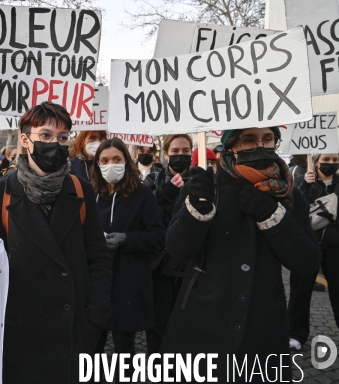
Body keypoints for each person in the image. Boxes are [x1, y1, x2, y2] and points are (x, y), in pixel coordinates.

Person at [162, 127, 321, 380]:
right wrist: (196, 211)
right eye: (249, 140)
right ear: (231, 147)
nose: (260, 146)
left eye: (267, 139)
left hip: (262, 329)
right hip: (203, 324)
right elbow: (177, 250)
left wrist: (271, 215)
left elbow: (307, 261)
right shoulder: (204, 186)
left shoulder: (288, 193)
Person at [0, 102, 112, 384]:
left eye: (63, 137)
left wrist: (95, 317)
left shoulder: (80, 189)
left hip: (72, 328)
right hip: (22, 331)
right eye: (46, 135)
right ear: (26, 140)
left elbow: (98, 257)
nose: (55, 143)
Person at [92, 138, 165, 372]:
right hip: (96, 284)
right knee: (93, 347)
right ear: (97, 164)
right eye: (104, 161)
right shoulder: (90, 194)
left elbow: (157, 237)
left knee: (125, 350)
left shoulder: (143, 194)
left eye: (116, 159)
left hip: (128, 282)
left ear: (126, 161)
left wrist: (127, 239)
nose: (110, 165)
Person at [144, 134, 193, 354]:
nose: (180, 155)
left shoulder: (201, 180)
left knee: (187, 323)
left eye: (185, 151)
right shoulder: (152, 180)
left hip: (189, 265)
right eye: (175, 151)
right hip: (159, 265)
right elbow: (144, 213)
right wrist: (166, 194)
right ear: (166, 154)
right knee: (158, 323)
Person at [290, 153, 339, 351]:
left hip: (334, 245)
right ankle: (295, 334)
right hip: (307, 243)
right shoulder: (303, 179)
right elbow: (294, 208)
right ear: (316, 161)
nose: (331, 164)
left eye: (335, 160)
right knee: (300, 291)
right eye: (326, 160)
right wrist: (305, 186)